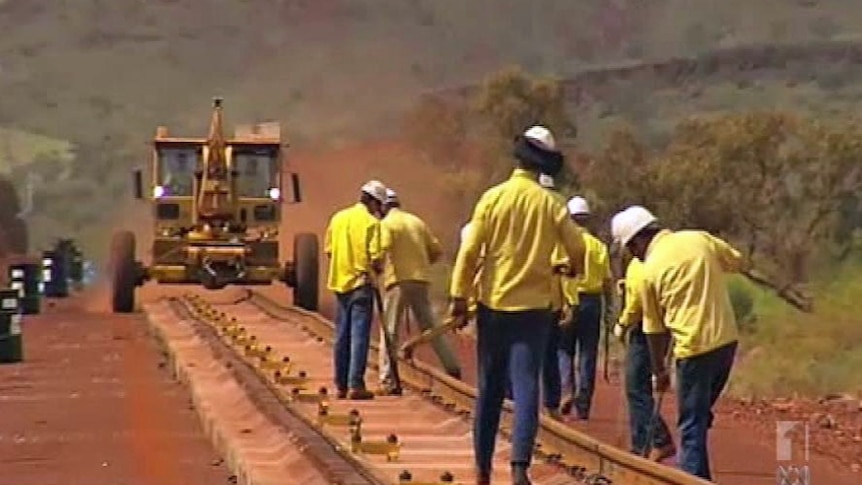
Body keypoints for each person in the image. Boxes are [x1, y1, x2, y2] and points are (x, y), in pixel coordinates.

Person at [449, 125, 586, 485]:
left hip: (494, 307)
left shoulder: (492, 199)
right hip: (535, 310)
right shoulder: (551, 204)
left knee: (490, 389)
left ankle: (481, 468)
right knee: (527, 388)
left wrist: (458, 297)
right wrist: (575, 268)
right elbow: (578, 248)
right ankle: (520, 468)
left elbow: (469, 253)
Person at [611, 205, 745, 481]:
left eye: (630, 249)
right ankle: (700, 474)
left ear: (637, 241)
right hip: (726, 344)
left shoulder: (650, 271)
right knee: (697, 416)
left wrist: (659, 371)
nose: (633, 255)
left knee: (691, 426)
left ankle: (691, 477)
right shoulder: (699, 239)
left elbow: (655, 330)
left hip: (694, 350)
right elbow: (736, 261)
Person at [377, 188, 462, 395]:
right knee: (431, 328)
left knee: (389, 331)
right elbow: (436, 251)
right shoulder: (416, 222)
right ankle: (452, 368)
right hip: (420, 280)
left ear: (382, 207)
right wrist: (421, 265)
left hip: (397, 280)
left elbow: (383, 247)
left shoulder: (386, 225)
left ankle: (387, 379)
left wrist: (377, 266)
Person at [324, 180, 390, 401]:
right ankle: (356, 384)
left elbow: (329, 250)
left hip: (340, 283)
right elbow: (377, 258)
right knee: (359, 335)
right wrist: (376, 272)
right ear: (372, 201)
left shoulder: (338, 218)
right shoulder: (372, 223)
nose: (379, 210)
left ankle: (340, 385)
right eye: (378, 205)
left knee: (342, 335)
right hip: (361, 284)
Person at [612, 255, 676, 461]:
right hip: (661, 326)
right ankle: (640, 445)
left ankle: (659, 439)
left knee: (636, 388)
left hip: (645, 329)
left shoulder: (637, 265)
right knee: (639, 388)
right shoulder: (656, 261)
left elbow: (636, 304)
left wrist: (622, 324)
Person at [558, 196, 613, 420]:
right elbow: (608, 281)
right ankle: (584, 404)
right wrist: (610, 308)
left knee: (563, 349)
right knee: (588, 353)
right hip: (593, 301)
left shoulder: (564, 244)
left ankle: (566, 390)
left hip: (568, 300)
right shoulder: (599, 247)